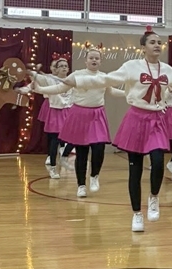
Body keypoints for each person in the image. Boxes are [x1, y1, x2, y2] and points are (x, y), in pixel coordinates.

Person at [61, 27, 172, 232]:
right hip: (136, 119)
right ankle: (136, 214)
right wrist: (77, 80)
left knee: (158, 161)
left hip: (157, 120)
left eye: (159, 42)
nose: (157, 45)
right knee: (135, 169)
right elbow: (106, 79)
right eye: (152, 42)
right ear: (143, 47)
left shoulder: (166, 69)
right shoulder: (131, 67)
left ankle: (153, 197)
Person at [29, 45, 124, 197]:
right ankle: (81, 185)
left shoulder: (103, 77)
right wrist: (40, 90)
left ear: (100, 61)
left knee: (99, 148)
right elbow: (60, 88)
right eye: (91, 58)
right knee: (82, 152)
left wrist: (129, 93)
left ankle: (94, 176)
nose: (94, 60)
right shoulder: (77, 75)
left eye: (97, 58)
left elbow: (112, 91)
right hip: (80, 115)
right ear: (86, 61)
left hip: (97, 115)